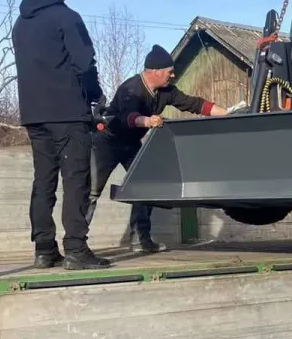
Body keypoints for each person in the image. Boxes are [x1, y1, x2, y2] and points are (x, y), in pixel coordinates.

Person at [12, 0, 110, 271]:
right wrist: (95, 96)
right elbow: (84, 64)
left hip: (34, 115)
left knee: (43, 181)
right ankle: (76, 251)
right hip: (68, 112)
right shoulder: (66, 17)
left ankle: (44, 249)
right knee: (76, 181)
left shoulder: (21, 24)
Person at [88, 44, 228, 252]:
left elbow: (194, 104)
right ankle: (76, 244)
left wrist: (227, 113)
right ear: (155, 72)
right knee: (91, 191)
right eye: (169, 72)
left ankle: (140, 239)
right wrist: (147, 121)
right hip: (107, 142)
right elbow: (128, 118)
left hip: (132, 144)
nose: (173, 75)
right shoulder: (131, 88)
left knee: (147, 185)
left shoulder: (166, 92)